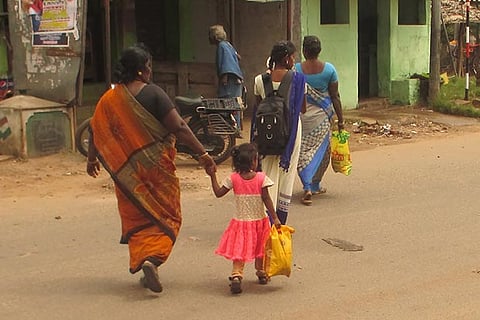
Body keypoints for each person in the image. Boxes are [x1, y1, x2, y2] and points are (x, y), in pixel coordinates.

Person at [86, 44, 216, 293]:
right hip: (157, 171)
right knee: (170, 215)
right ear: (142, 70)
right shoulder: (154, 94)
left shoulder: (109, 99)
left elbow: (96, 130)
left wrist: (91, 160)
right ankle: (153, 259)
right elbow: (178, 126)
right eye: (148, 66)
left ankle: (145, 259)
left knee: (138, 215)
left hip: (128, 176)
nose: (150, 71)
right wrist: (202, 153)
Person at [206, 143, 281, 294]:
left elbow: (218, 193)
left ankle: (236, 275)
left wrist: (212, 175)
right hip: (259, 220)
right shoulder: (261, 178)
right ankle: (261, 272)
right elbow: (267, 199)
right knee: (261, 248)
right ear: (254, 161)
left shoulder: (233, 178)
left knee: (239, 249)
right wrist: (275, 218)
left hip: (240, 222)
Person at [251, 40, 306, 225]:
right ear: (286, 58)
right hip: (290, 133)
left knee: (266, 172)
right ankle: (280, 220)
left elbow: (257, 107)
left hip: (265, 134)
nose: (294, 60)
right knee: (286, 173)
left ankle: (265, 218)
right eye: (292, 57)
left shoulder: (259, 80)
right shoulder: (298, 79)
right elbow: (303, 109)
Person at [295, 35, 345, 206]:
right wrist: (341, 121)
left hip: (302, 118)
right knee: (322, 152)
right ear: (319, 51)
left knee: (302, 151)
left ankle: (308, 185)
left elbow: (293, 96)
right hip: (322, 118)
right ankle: (313, 184)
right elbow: (335, 96)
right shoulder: (329, 70)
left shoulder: (296, 70)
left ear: (304, 50)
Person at [208, 24, 244, 137]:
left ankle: (230, 128)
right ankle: (235, 128)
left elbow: (227, 62)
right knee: (234, 104)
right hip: (235, 80)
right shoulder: (227, 45)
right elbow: (237, 57)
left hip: (229, 81)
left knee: (227, 104)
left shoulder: (222, 46)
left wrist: (224, 76)